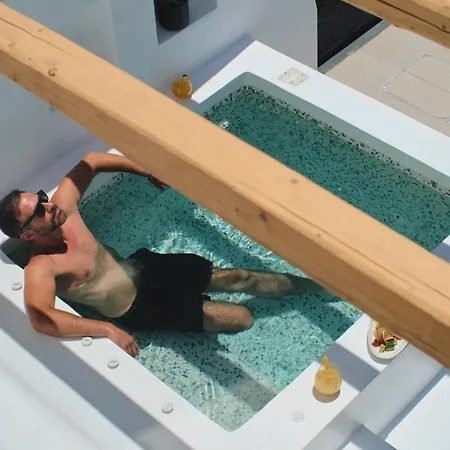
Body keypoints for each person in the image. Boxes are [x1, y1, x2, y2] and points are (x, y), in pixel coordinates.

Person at [0, 152, 329, 357]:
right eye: (39, 210)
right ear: (27, 234)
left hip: (145, 268)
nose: (49, 205)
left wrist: (146, 169)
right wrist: (106, 329)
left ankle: (317, 287)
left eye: (42, 198)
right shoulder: (42, 267)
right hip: (139, 307)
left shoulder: (64, 210)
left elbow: (92, 161)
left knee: (239, 277)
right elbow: (41, 318)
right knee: (242, 318)